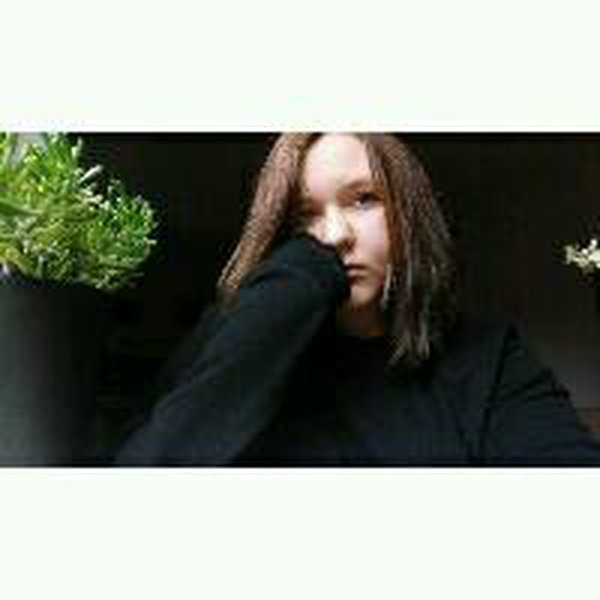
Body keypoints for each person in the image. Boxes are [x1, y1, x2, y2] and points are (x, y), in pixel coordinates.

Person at [114, 133, 600, 466]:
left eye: (363, 199)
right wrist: (297, 283)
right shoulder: (233, 343)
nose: (334, 235)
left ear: (408, 216)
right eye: (304, 215)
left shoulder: (488, 361)